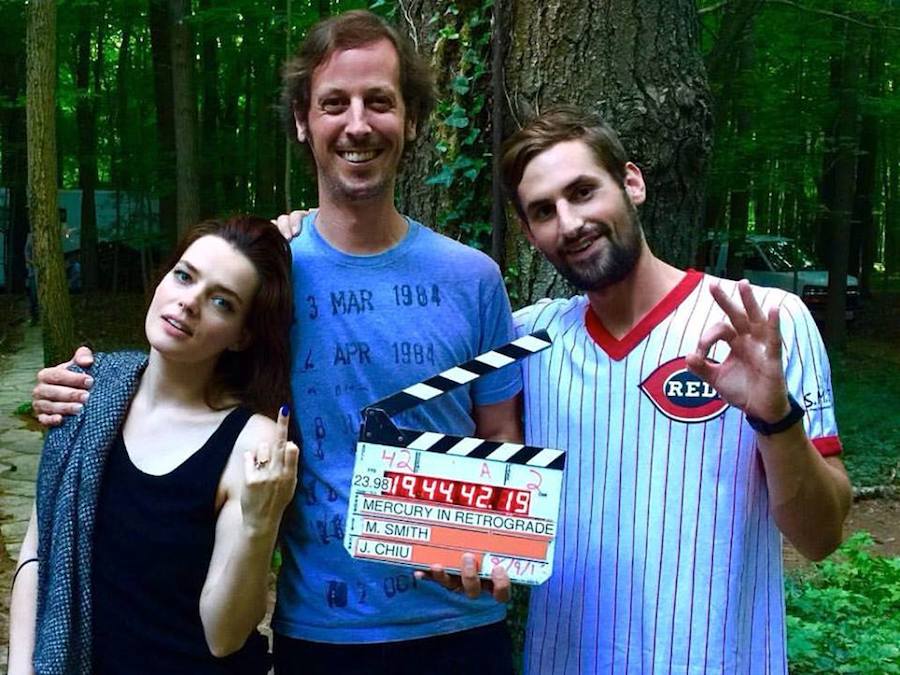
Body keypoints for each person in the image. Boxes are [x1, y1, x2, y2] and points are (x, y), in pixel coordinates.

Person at [31, 10, 521, 675]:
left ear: (411, 121)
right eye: (333, 103)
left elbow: (500, 439)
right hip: (320, 636)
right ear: (301, 121)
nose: (357, 124)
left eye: (380, 101)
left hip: (461, 629)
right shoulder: (263, 277)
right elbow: (184, 361)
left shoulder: (474, 279)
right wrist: (89, 386)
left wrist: (493, 544)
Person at [499, 106, 852, 674]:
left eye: (583, 192)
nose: (569, 223)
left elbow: (821, 537)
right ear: (528, 232)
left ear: (631, 183)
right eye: (544, 211)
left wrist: (775, 417)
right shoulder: (523, 342)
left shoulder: (762, 322)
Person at [10, 216, 298, 674]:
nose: (189, 302)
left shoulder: (253, 441)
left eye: (221, 302)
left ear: (242, 335)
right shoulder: (86, 394)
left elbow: (224, 636)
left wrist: (258, 526)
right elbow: (37, 552)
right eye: (184, 276)